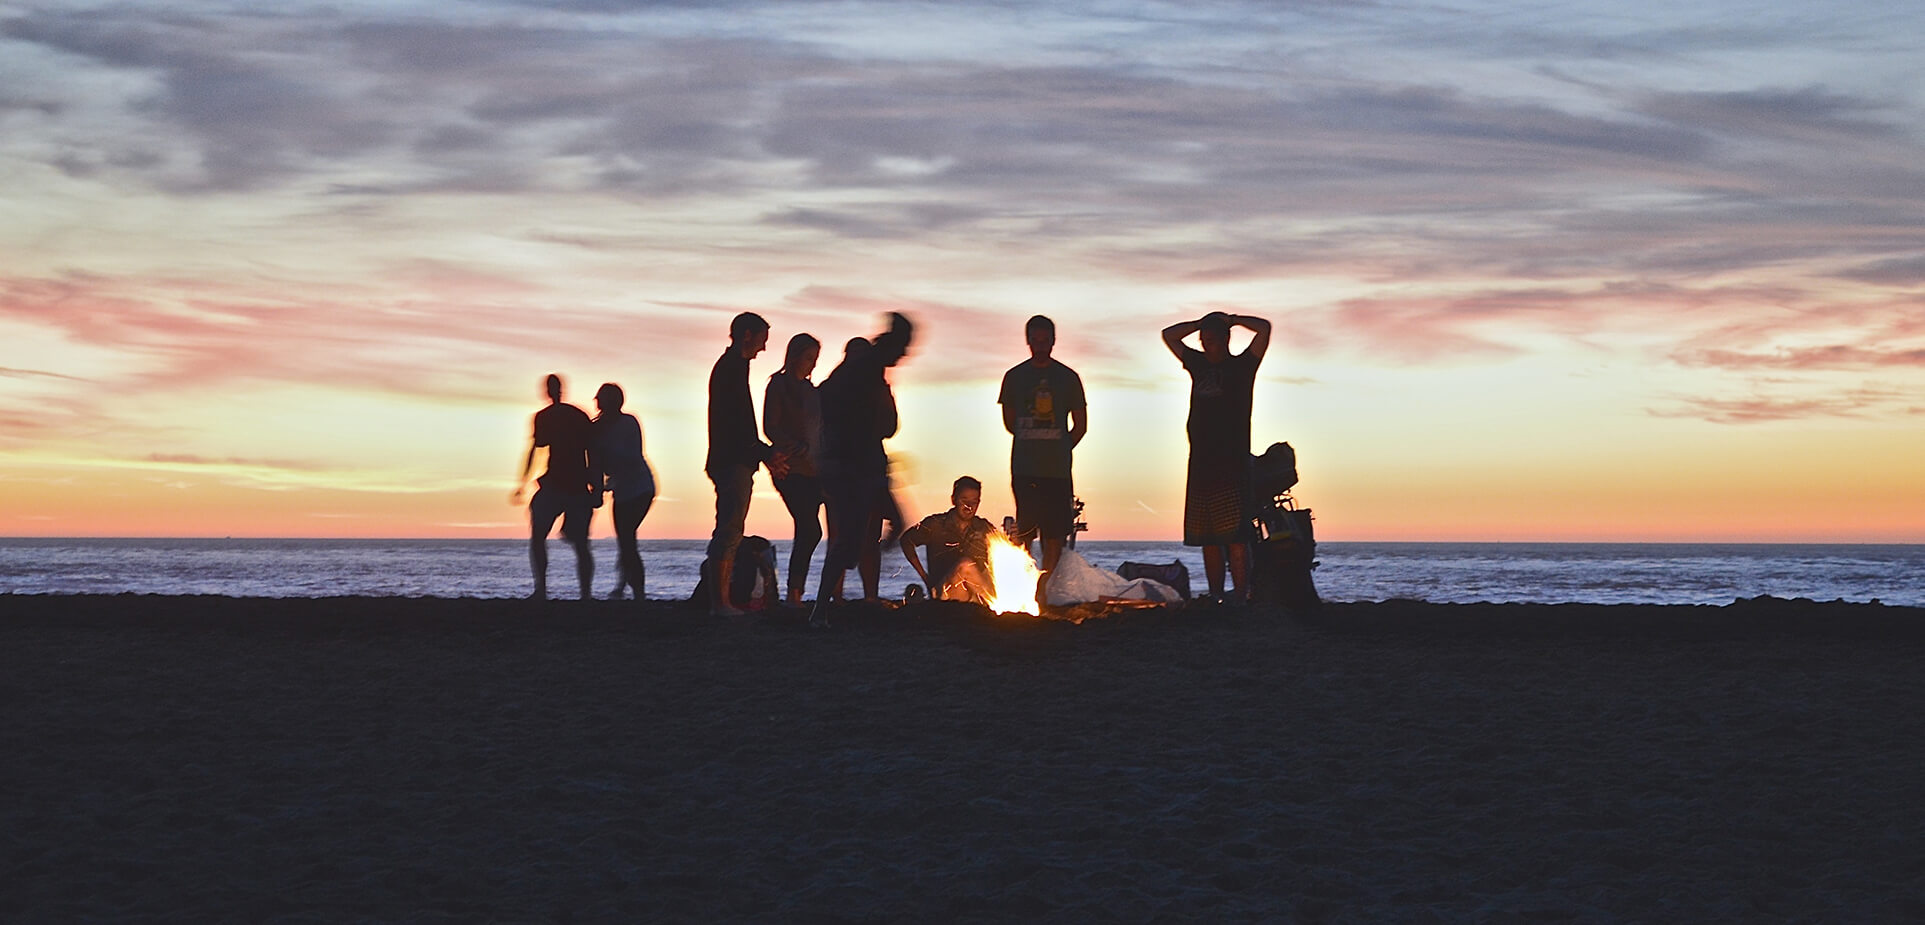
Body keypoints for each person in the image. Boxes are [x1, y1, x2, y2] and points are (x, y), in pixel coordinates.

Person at [1162, 311, 1271, 604]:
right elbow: (1169, 335)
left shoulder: (1243, 366)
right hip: (1201, 461)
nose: (1207, 344)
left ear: (1225, 340)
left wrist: (1233, 319)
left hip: (1232, 461)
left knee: (1236, 535)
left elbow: (1264, 329)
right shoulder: (1196, 364)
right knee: (1207, 536)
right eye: (1204, 339)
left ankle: (1241, 594)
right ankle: (1215, 594)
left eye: (1213, 339)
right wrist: (1199, 323)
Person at [812, 313, 914, 627]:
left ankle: (826, 604)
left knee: (889, 526)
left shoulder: (857, 376)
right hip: (855, 467)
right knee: (850, 542)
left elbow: (886, 425)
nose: (905, 355)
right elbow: (883, 425)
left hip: (862, 466)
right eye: (903, 348)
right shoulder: (865, 371)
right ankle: (821, 609)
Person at [997, 314, 1086, 605]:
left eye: (1044, 340)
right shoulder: (1014, 377)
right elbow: (1009, 422)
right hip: (1025, 467)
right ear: (1027, 341)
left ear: (1053, 341)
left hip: (1057, 471)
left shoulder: (1068, 378)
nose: (1039, 346)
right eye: (1034, 340)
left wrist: (1061, 446)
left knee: (1055, 534)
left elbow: (1081, 425)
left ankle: (1045, 592)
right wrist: (1034, 437)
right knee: (1024, 531)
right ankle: (1023, 588)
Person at [705, 312, 788, 617]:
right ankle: (720, 603)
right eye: (762, 340)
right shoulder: (730, 370)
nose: (764, 349)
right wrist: (763, 453)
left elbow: (740, 425)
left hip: (733, 458)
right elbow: (737, 425)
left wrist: (761, 454)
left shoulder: (734, 368)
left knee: (730, 528)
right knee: (729, 530)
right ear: (747, 335)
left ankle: (721, 601)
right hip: (731, 461)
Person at [513, 373, 598, 600]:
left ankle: (559, 591)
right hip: (562, 484)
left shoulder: (557, 416)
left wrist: (596, 486)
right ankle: (551, 590)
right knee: (559, 540)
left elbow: (591, 451)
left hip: (571, 485)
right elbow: (537, 449)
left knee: (572, 542)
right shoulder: (571, 416)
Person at [764, 333, 824, 605]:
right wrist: (793, 446)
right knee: (810, 528)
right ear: (795, 356)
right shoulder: (778, 385)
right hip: (789, 467)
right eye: (808, 358)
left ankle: (797, 593)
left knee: (809, 528)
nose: (812, 364)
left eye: (815, 359)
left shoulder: (813, 392)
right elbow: (770, 426)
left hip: (814, 469)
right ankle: (794, 593)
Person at [594, 382, 655, 601]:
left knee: (627, 539)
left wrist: (604, 480)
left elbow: (631, 456)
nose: (597, 403)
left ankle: (637, 591)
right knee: (626, 540)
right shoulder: (598, 428)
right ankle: (623, 586)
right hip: (622, 489)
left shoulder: (628, 422)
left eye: (600, 398)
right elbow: (599, 463)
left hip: (640, 487)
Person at [899, 476, 996, 604]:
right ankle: (999, 604)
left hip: (977, 595)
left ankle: (996, 603)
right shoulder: (935, 525)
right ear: (953, 500)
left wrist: (1014, 537)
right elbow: (906, 541)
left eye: (974, 502)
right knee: (966, 566)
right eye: (964, 500)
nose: (969, 506)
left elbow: (1006, 551)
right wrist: (925, 578)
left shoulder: (983, 527)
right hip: (947, 593)